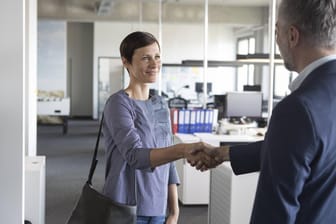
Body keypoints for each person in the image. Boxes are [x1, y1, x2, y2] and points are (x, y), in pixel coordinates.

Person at [192, 0, 336, 223]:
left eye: (276, 31)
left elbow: (274, 213)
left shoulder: (298, 108)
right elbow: (308, 150)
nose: (276, 41)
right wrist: (224, 153)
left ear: (292, 36)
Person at [102, 31, 213, 224]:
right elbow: (136, 156)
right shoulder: (118, 104)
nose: (154, 64)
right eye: (145, 58)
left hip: (158, 205)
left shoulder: (160, 103)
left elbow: (168, 160)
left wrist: (174, 211)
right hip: (127, 206)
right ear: (126, 62)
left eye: (157, 57)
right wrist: (183, 150)